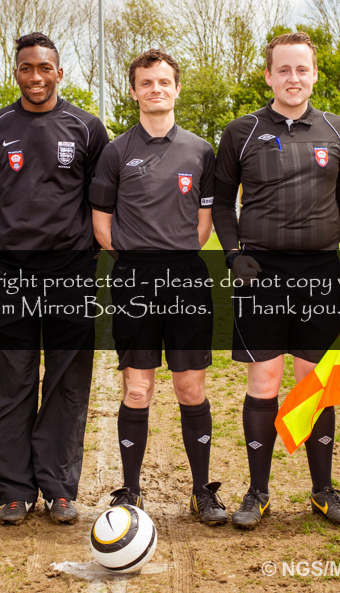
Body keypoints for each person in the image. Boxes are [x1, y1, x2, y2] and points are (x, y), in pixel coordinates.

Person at [213, 32, 340, 529]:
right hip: (261, 273)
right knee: (265, 380)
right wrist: (233, 255)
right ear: (269, 75)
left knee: (315, 382)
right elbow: (222, 203)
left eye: (302, 69)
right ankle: (257, 493)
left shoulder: (338, 129)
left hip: (320, 271)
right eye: (284, 69)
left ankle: (322, 491)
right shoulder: (242, 131)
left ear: (314, 74)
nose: (293, 78)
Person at [0, 32, 108, 525]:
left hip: (71, 274)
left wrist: (83, 257)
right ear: (16, 73)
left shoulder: (87, 128)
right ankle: (13, 490)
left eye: (44, 68)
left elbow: (99, 201)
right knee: (8, 383)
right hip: (11, 275)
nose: (36, 77)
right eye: (27, 68)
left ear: (59, 72)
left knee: (67, 383)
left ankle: (58, 488)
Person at [90, 49, 227, 524]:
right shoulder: (115, 151)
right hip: (133, 278)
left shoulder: (200, 151)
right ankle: (130, 490)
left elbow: (204, 225)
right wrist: (138, 258)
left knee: (190, 387)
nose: (156, 89)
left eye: (164, 81)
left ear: (176, 88)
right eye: (146, 82)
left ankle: (202, 490)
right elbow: (102, 225)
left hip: (186, 276)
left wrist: (172, 253)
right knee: (137, 389)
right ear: (134, 91)